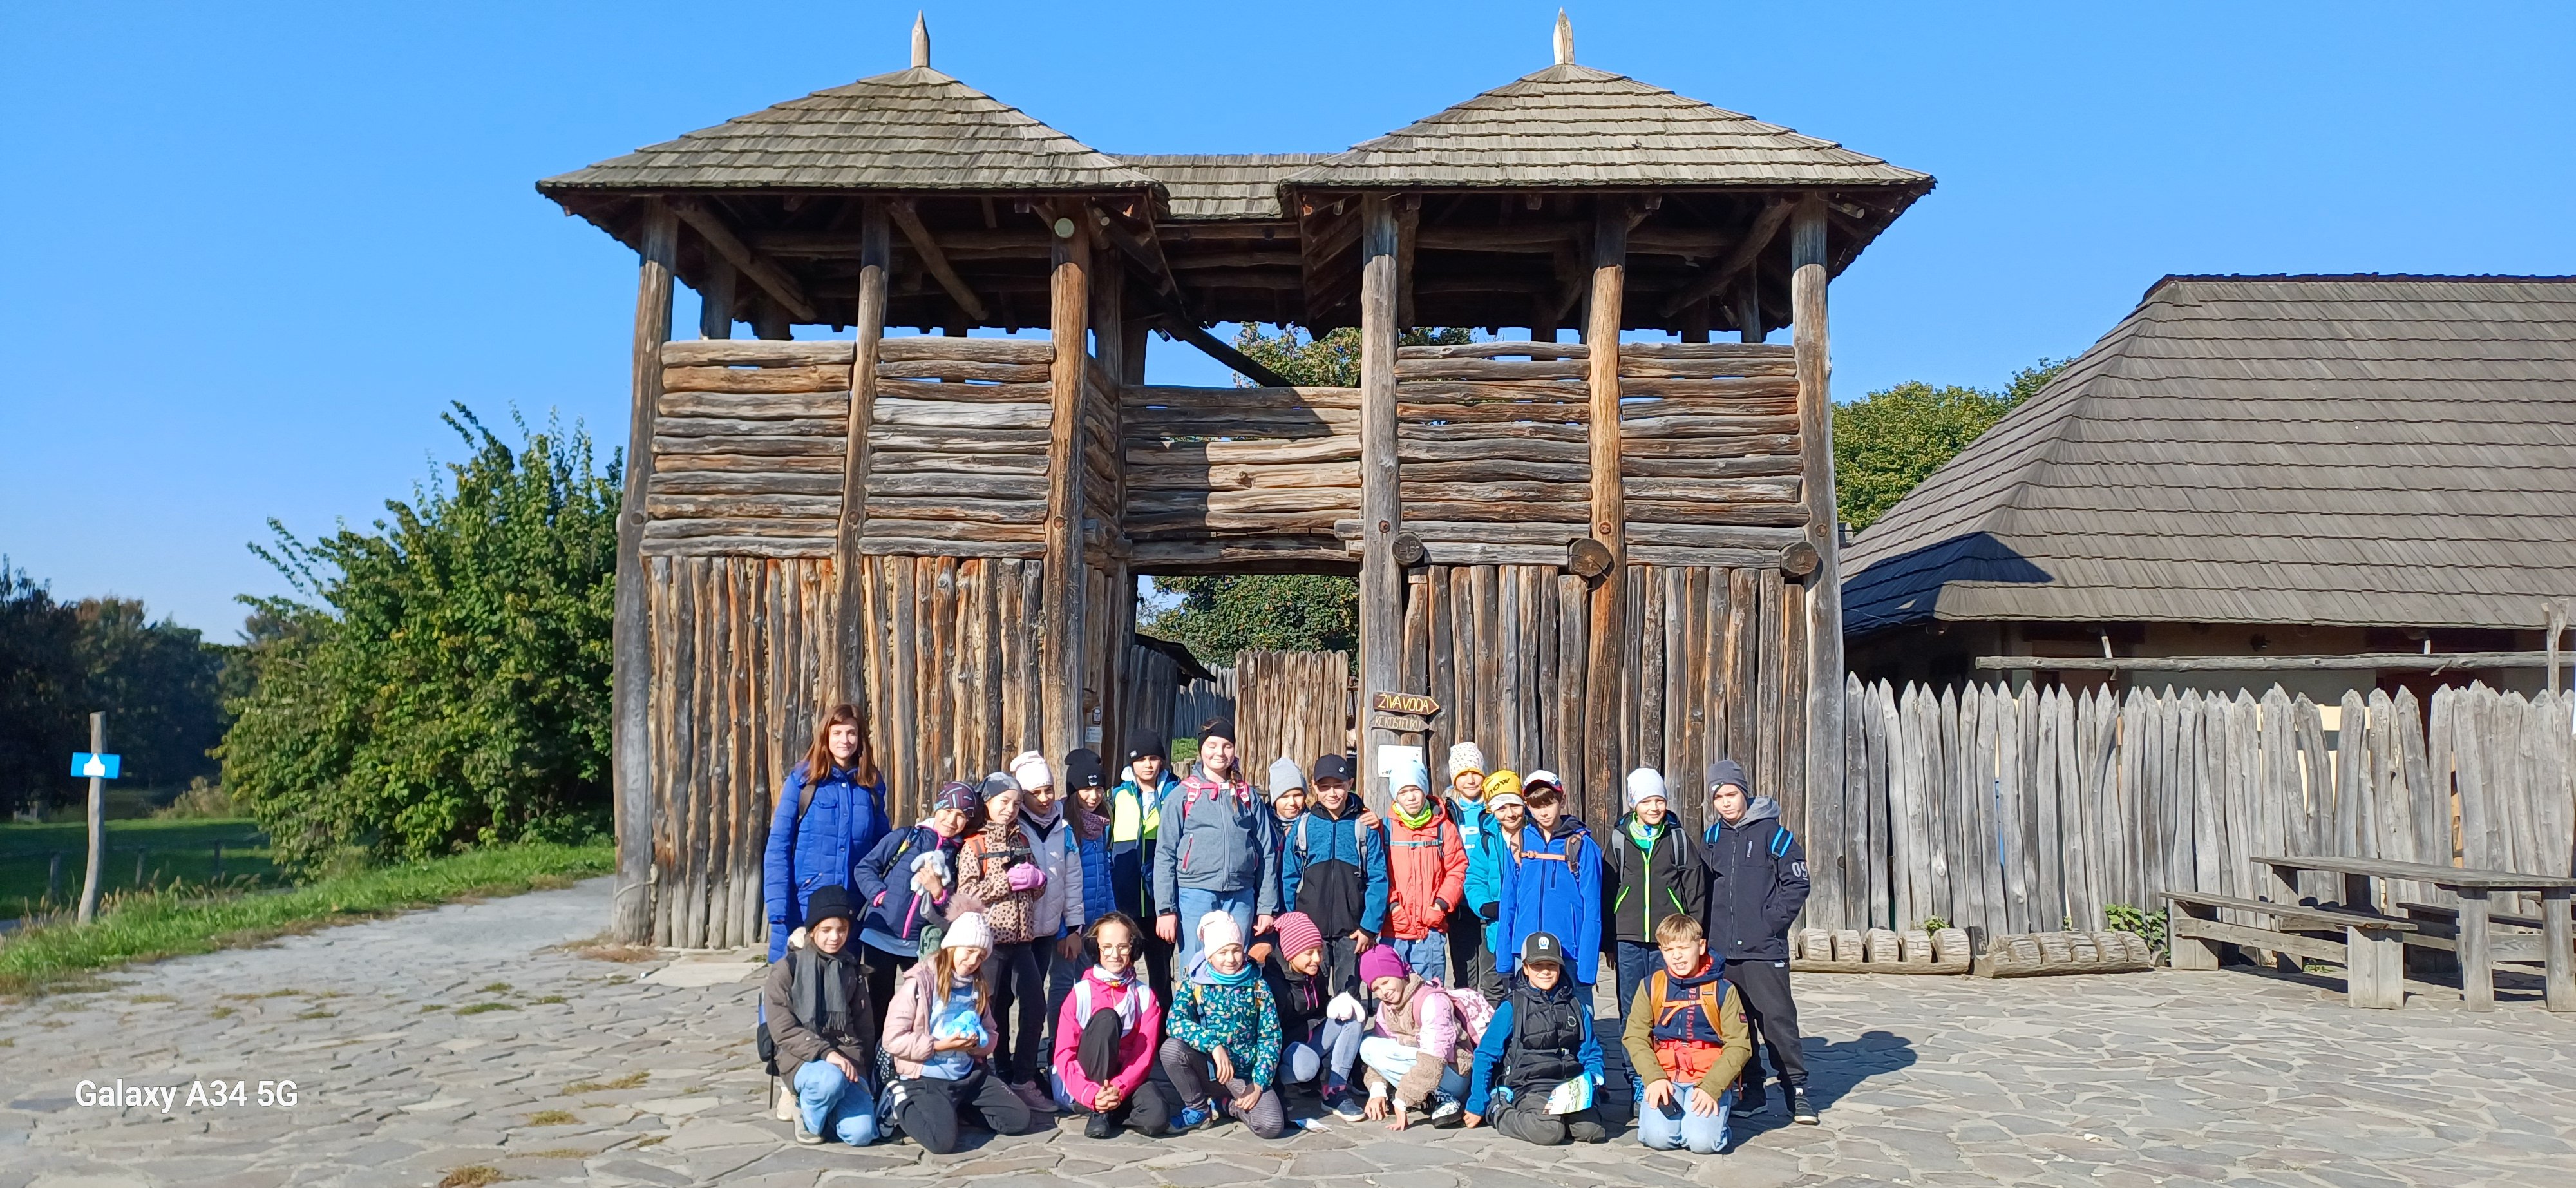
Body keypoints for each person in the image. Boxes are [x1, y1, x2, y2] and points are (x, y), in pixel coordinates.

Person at [1700, 758, 1816, 1125]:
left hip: (1763, 950)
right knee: (1736, 1024)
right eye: (1719, 797)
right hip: (1722, 951)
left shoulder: (1774, 835)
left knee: (1777, 1022)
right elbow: (1703, 890)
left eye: (1731, 795)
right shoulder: (1712, 838)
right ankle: (1751, 1090)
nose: (1726, 803)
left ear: (1744, 794)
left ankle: (1796, 1092)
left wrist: (1770, 923)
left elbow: (1797, 883)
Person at [880, 912, 1035, 1154]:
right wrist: (938, 1046)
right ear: (952, 946)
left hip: (968, 1074)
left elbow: (991, 1032)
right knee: (941, 1143)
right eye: (969, 951)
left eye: (980, 956)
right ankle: (897, 1099)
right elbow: (892, 1039)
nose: (973, 961)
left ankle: (954, 1110)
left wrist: (977, 1045)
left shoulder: (978, 986)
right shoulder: (919, 983)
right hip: (927, 1076)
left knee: (1018, 1119)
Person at [1599, 766, 1706, 1115]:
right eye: (1646, 801)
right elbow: (1607, 891)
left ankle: (1670, 1074)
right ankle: (1637, 1079)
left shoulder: (1677, 839)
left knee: (1669, 1007)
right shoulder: (1619, 840)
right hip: (1628, 938)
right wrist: (1608, 942)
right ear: (1633, 804)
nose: (1654, 807)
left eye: (1659, 800)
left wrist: (1694, 935)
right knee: (1632, 1011)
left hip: (1669, 941)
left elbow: (1695, 889)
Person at [952, 765, 1056, 1114]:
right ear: (988, 803)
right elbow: (967, 894)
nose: (1010, 809)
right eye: (1003, 802)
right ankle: (997, 1073)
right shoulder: (975, 845)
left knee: (1035, 1007)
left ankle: (1024, 1078)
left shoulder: (1022, 840)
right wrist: (1006, 883)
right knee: (993, 1011)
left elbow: (1035, 890)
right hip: (992, 944)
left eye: (1015, 803)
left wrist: (1037, 881)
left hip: (1023, 941)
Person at [1153, 719, 1282, 977]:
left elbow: (1267, 852)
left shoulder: (1247, 796)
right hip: (1195, 895)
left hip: (1241, 896)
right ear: (1201, 748)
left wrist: (1267, 907)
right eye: (1212, 745)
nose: (1219, 753)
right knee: (1196, 969)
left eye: (1227, 746)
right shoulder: (1182, 795)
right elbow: (1165, 854)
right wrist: (1166, 910)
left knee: (1237, 967)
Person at [763, 704, 890, 961]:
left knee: (841, 981)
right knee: (795, 980)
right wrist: (778, 911)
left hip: (849, 908)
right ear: (825, 736)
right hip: (804, 905)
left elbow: (883, 851)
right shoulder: (804, 782)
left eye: (851, 733)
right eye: (837, 733)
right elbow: (778, 846)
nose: (845, 740)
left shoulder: (870, 786)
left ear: (860, 738)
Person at [848, 780, 980, 1024]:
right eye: (947, 810)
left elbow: (952, 908)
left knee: (920, 1005)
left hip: (919, 945)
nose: (952, 820)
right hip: (881, 934)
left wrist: (938, 893)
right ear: (937, 807)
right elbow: (865, 868)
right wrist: (881, 896)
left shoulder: (960, 855)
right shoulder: (907, 836)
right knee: (878, 1005)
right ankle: (877, 1049)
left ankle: (909, 1048)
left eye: (961, 815)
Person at [1461, 931, 1607, 1146]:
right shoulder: (1512, 1007)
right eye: (1538, 966)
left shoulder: (1576, 1006)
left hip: (1569, 1086)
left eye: (1552, 965)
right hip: (1529, 1086)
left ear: (1560, 967)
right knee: (1549, 1132)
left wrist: (1594, 1078)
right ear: (1526, 968)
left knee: (1592, 1131)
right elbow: (1485, 1055)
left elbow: (1591, 1053)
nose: (1546, 972)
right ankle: (1499, 1110)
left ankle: (1559, 1118)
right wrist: (1477, 1104)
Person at [761, 885, 882, 1146]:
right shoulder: (786, 970)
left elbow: (864, 1027)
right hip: (802, 1058)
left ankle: (827, 1105)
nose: (835, 937)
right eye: (826, 930)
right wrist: (826, 1054)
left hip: (846, 1058)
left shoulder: (851, 969)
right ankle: (806, 1113)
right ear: (813, 930)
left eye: (842, 929)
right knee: (829, 1080)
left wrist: (864, 1071)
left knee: (861, 1134)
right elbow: (783, 1029)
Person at [1625, 914, 1750, 1156]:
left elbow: (1739, 1045)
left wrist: (1712, 1087)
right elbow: (1635, 1036)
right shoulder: (1651, 986)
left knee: (1701, 1143)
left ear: (1701, 947)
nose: (1677, 956)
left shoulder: (1723, 990)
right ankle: (1683, 1121)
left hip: (1706, 1077)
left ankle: (1713, 1124)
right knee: (1657, 1139)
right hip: (1665, 1077)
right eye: (1669, 949)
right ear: (1661, 951)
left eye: (1684, 948)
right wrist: (1653, 1077)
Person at [1160, 911, 1290, 1138]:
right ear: (1210, 956)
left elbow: (1270, 1037)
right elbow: (1174, 1022)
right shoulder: (1195, 982)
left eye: (1236, 950)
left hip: (1244, 1074)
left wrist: (1259, 1083)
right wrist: (1213, 1045)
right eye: (1222, 952)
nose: (1231, 959)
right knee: (1171, 1049)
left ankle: (1225, 1105)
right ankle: (1198, 1108)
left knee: (1271, 1125)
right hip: (1210, 1068)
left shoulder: (1258, 985)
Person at [1278, 752, 1387, 1001]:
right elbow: (1289, 879)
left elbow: (1378, 879)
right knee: (1312, 999)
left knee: (1348, 1000)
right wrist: (1291, 924)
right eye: (1324, 787)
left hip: (1353, 932)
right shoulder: (1303, 826)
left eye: (1338, 786)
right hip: (1309, 931)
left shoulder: (1364, 827)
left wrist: (1369, 928)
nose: (1332, 793)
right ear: (1314, 787)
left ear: (1350, 784)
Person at [1052, 911, 1170, 1139]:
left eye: (1122, 947)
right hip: (1087, 1076)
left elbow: (1143, 1056)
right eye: (1106, 947)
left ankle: (1108, 1104)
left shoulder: (1145, 996)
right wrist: (1090, 1092)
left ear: (1133, 948)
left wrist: (1119, 1088)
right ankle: (1098, 1108)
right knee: (1107, 1018)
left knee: (1156, 1117)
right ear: (1096, 949)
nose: (1115, 954)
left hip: (1124, 1077)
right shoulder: (1081, 993)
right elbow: (1064, 1054)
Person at [1353, 946, 1488, 1129]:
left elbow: (1433, 1060)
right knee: (1368, 1045)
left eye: (1386, 982)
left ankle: (1440, 1096)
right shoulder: (1386, 1008)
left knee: (1369, 1047)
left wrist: (1403, 1100)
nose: (1383, 992)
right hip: (1422, 1067)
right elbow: (1376, 1058)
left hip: (1454, 1074)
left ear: (1400, 973)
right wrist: (1378, 1090)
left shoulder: (1432, 1001)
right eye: (1376, 988)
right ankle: (1430, 1097)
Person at [1497, 772, 1602, 992]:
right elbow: (1508, 902)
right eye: (1536, 806)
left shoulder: (1582, 845)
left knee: (1578, 1009)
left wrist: (1587, 968)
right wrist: (1505, 959)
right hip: (1526, 949)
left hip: (1569, 950)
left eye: (1548, 804)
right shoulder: (1519, 842)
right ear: (1527, 806)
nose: (1543, 812)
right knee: (1528, 1009)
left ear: (1562, 800)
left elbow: (1593, 907)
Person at [1255, 910, 1366, 1117]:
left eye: (1319, 951)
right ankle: (1280, 1085)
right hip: (1285, 1048)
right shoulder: (1273, 984)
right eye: (1309, 953)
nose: (1317, 959)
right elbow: (1268, 1037)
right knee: (1307, 1067)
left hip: (1311, 1036)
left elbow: (1321, 1009)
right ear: (1290, 953)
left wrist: (1337, 1003)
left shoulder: (1314, 974)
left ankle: (1335, 1090)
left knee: (1353, 1015)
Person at [1046, 750, 1118, 1046]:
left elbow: (1105, 874)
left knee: (1092, 983)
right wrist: (1066, 930)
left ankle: (1087, 1044)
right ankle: (1058, 1045)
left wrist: (1112, 918)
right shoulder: (1064, 827)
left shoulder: (1100, 825)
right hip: (1069, 924)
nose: (1093, 796)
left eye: (1099, 789)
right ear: (1074, 789)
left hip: (1095, 923)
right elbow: (1058, 883)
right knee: (1064, 983)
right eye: (1086, 789)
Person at [1383, 756, 1467, 982]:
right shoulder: (1386, 829)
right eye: (1403, 792)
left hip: (1430, 931)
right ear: (1395, 795)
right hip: (1394, 930)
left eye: (1415, 790)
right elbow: (1378, 874)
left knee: (1430, 996)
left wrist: (1440, 905)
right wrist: (1393, 907)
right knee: (1394, 994)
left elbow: (1457, 869)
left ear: (1424, 790)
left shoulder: (1444, 828)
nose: (1410, 797)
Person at [1113, 735, 1178, 997]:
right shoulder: (1118, 795)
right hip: (1126, 898)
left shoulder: (1176, 793)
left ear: (1162, 761)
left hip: (1160, 902)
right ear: (1132, 763)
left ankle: (1162, 1021)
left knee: (1160, 972)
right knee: (1121, 969)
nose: (1148, 765)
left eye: (1153, 758)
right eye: (1141, 759)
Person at [1445, 746, 1508, 995]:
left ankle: (1494, 1018)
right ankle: (1468, 1017)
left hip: (1491, 899)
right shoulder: (1445, 810)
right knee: (1465, 978)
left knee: (1494, 976)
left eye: (1475, 773)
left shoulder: (1496, 807)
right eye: (1463, 774)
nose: (1470, 780)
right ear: (1454, 778)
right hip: (1460, 903)